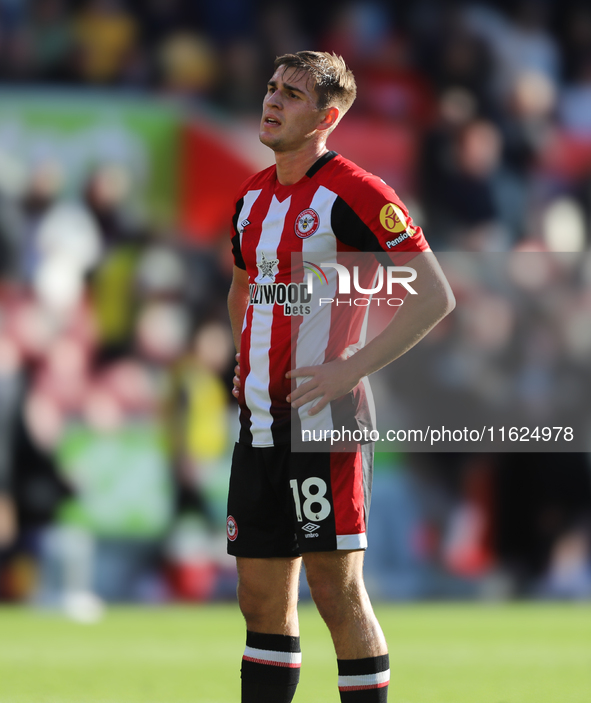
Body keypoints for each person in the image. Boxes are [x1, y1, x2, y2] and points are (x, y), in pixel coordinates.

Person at [226, 51, 455, 703]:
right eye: (270, 87)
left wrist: (347, 368)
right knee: (259, 599)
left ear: (326, 118)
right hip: (259, 424)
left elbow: (432, 294)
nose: (271, 101)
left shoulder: (356, 192)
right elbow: (242, 283)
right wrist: (242, 354)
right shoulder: (250, 197)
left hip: (325, 426)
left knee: (334, 589)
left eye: (290, 95)